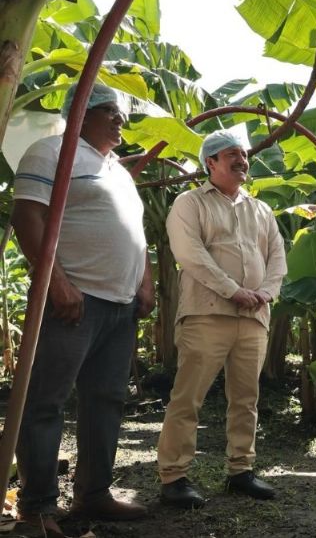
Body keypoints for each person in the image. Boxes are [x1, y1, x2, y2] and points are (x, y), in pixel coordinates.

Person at [12, 83, 154, 532]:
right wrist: (57, 284)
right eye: (109, 110)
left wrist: (145, 282)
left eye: (120, 112)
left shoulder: (118, 170)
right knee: (46, 402)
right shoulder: (50, 152)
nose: (120, 119)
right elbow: (26, 218)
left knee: (106, 400)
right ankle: (36, 506)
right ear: (80, 112)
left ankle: (93, 495)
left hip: (120, 305)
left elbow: (136, 232)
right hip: (74, 301)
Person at [157, 129, 286, 509]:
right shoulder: (190, 203)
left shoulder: (260, 210)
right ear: (210, 162)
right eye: (232, 154)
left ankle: (241, 470)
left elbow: (277, 257)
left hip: (253, 317)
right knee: (188, 398)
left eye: (244, 155)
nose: (242, 161)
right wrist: (234, 290)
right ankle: (173, 477)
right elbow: (191, 254)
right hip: (207, 313)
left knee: (246, 398)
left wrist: (266, 293)